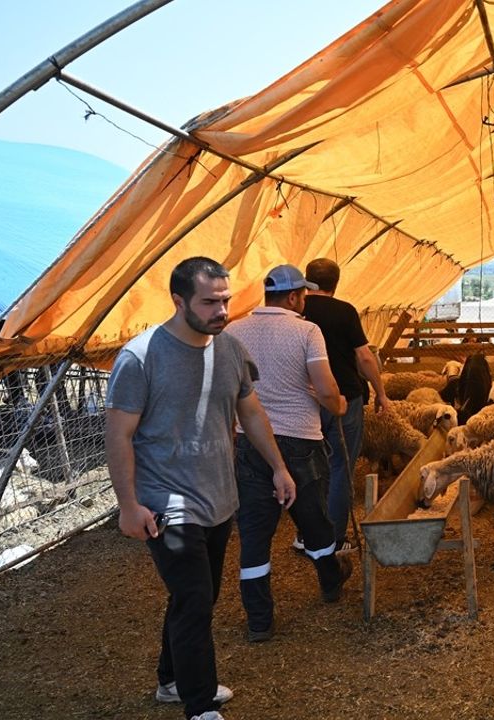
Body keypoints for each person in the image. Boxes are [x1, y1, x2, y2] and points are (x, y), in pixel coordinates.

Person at [106, 256, 296, 720]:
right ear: (178, 301)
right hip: (166, 501)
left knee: (200, 593)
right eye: (209, 302)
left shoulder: (229, 350)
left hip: (217, 496)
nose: (221, 310)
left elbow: (249, 412)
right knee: (193, 598)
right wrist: (128, 505)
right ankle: (198, 704)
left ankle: (171, 680)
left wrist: (278, 467)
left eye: (225, 300)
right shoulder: (141, 357)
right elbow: (118, 434)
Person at [224, 265, 354, 642]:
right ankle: (330, 581)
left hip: (250, 441)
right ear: (296, 296)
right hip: (300, 439)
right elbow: (327, 390)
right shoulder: (306, 331)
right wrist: (340, 405)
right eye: (302, 296)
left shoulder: (233, 332)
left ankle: (259, 620)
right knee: (313, 520)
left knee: (253, 531)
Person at [301, 258, 387, 553]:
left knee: (309, 467)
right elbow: (364, 357)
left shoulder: (294, 311)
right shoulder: (344, 312)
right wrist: (381, 393)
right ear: (335, 283)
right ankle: (333, 539)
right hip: (343, 400)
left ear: (307, 280)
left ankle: (305, 534)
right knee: (340, 467)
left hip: (305, 401)